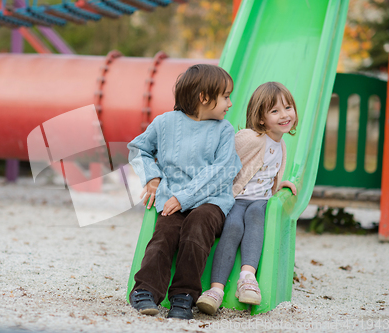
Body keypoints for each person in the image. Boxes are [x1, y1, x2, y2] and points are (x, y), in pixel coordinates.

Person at [127, 64, 242, 320]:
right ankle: (144, 291)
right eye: (225, 96)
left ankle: (184, 295)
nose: (230, 103)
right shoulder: (164, 123)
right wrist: (152, 176)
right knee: (164, 235)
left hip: (211, 201)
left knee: (197, 227)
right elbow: (138, 149)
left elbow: (222, 170)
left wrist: (185, 197)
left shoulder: (223, 130)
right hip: (172, 200)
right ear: (204, 97)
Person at [196, 81, 298, 316]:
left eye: (288, 107)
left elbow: (270, 172)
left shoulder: (281, 143)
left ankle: (247, 278)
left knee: (255, 217)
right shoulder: (250, 138)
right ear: (261, 118)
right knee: (232, 227)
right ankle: (215, 290)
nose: (284, 115)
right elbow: (222, 157)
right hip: (234, 199)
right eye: (275, 111)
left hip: (259, 202)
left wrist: (278, 184)